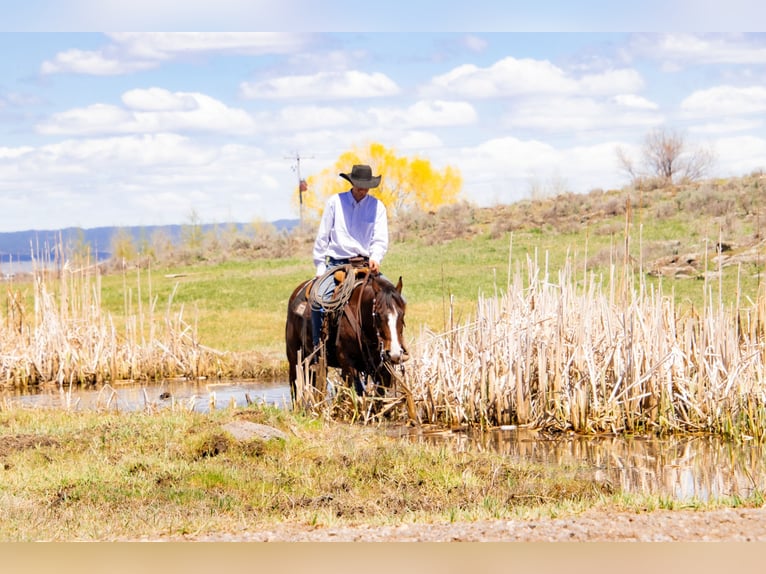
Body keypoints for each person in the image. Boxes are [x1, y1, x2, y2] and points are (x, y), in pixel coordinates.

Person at [310, 164, 389, 355]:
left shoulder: (377, 207)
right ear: (352, 183)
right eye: (359, 186)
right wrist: (320, 266)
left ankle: (390, 345)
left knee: (392, 301)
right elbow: (323, 235)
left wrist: (376, 257)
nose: (363, 190)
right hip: (337, 263)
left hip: (365, 263)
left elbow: (380, 238)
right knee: (318, 302)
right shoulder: (335, 202)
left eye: (366, 186)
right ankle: (318, 347)